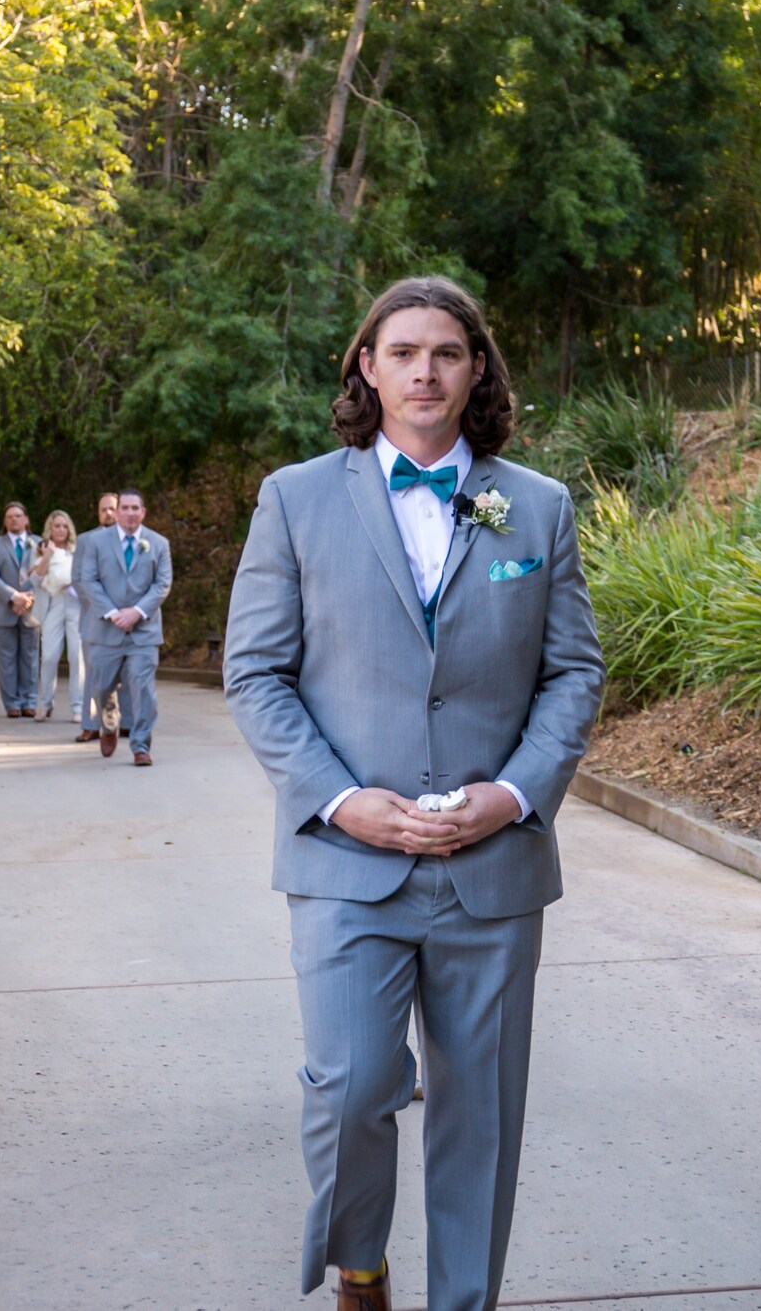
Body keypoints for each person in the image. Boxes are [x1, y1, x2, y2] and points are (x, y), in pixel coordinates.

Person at [223, 276, 604, 1311]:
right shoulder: (296, 499)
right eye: (402, 351)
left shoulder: (535, 505)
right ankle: (360, 1266)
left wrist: (517, 796)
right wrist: (340, 802)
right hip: (346, 861)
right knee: (347, 1088)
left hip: (492, 868)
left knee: (478, 1113)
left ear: (477, 369)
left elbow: (572, 671)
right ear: (366, 366)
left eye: (446, 351)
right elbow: (254, 673)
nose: (424, 370)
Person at [75, 488, 172, 765]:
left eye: (135, 508)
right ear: (117, 512)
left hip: (144, 632)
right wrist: (113, 613)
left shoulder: (158, 543)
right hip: (106, 629)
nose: (130, 513)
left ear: (143, 512)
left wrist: (137, 613)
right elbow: (88, 580)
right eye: (125, 508)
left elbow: (162, 584)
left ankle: (141, 745)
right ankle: (108, 724)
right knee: (101, 687)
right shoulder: (96, 542)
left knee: (143, 690)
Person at [74, 491, 126, 745]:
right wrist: (104, 608)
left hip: (128, 619)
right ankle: (91, 724)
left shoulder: (131, 539)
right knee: (94, 673)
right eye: (103, 509)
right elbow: (78, 579)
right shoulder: (85, 541)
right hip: (95, 618)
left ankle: (126, 723)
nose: (107, 513)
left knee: (127, 672)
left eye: (111, 508)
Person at [0, 501, 41, 717]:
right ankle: (12, 704)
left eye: (18, 516)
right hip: (2, 609)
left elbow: (44, 574)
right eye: (9, 517)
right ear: (4, 522)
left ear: (26, 519)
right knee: (6, 660)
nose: (14, 520)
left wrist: (29, 598)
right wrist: (13, 596)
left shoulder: (39, 543)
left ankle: (29, 702)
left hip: (32, 609)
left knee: (31, 657)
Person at [29, 510, 82, 722]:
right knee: (49, 656)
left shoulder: (76, 550)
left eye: (64, 526)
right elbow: (35, 579)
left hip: (76, 604)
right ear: (49, 528)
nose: (60, 530)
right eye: (56, 526)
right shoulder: (41, 549)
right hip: (53, 602)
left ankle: (78, 706)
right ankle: (45, 703)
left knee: (77, 656)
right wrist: (47, 557)